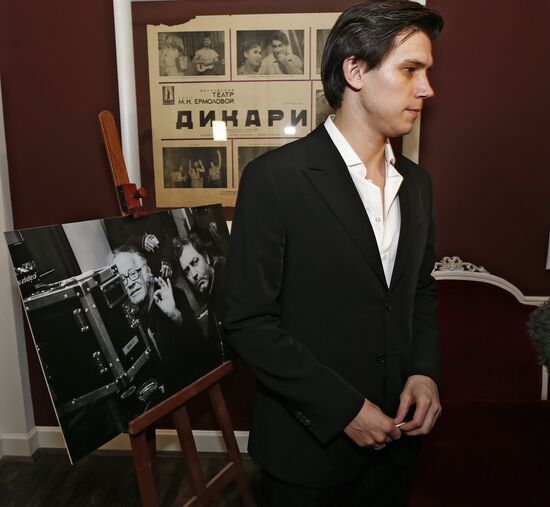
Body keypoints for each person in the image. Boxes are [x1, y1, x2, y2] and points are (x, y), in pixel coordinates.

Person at [224, 1, 444, 505]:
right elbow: (246, 322)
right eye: (410, 69)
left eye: (427, 71)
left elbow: (420, 291)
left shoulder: (418, 185)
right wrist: (343, 408)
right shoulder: (275, 180)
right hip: (308, 455)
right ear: (355, 71)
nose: (427, 88)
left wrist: (424, 372)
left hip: (397, 448)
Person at [113, 245, 217, 395]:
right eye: (123, 280)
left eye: (133, 274)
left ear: (146, 272)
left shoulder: (173, 295)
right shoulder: (134, 319)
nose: (129, 283)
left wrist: (175, 315)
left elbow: (201, 351)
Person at [175, 235, 226, 361]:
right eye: (187, 271)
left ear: (206, 257)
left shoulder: (227, 277)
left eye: (194, 262)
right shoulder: (210, 295)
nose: (193, 274)